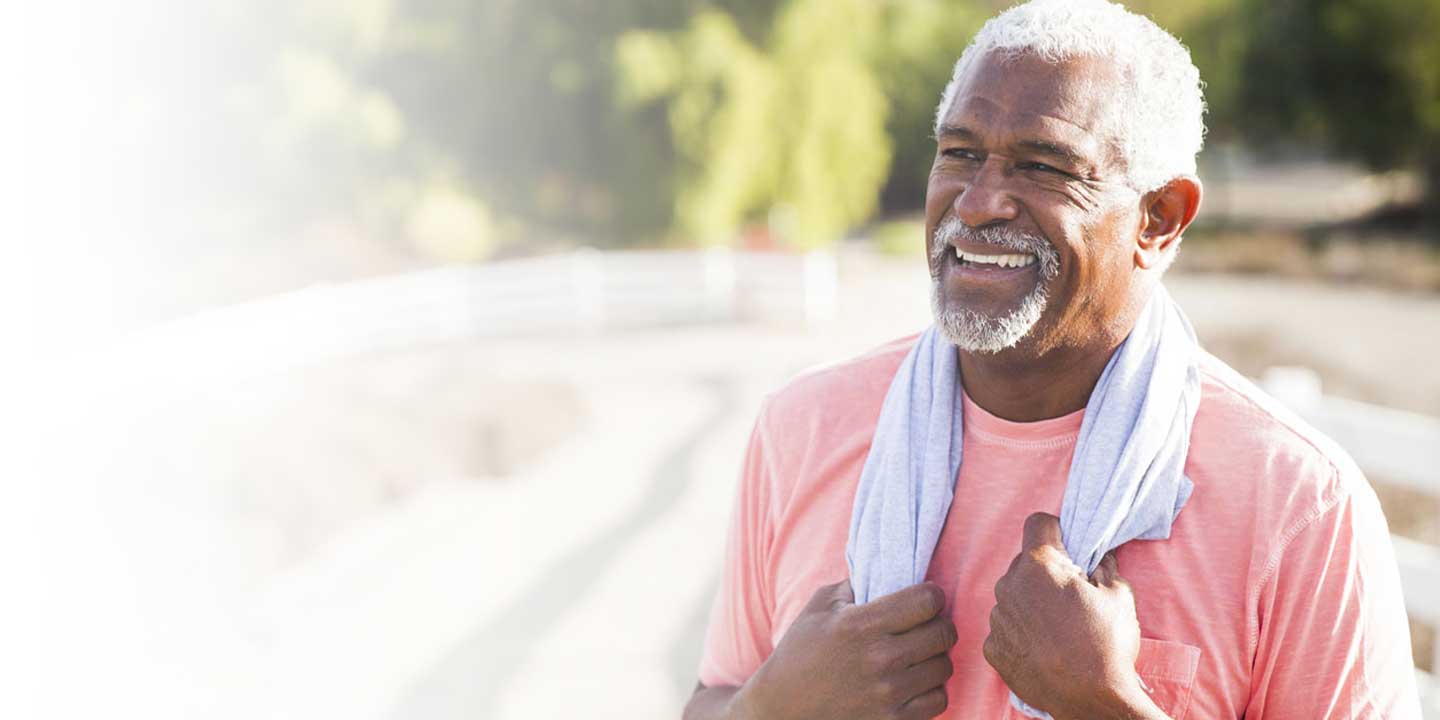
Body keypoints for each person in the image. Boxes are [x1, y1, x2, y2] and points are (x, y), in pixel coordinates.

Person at [683, 1, 1423, 718]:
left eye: (1043, 166)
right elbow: (714, 697)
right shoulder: (803, 427)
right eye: (961, 153)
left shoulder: (1297, 502)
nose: (977, 203)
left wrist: (1108, 706)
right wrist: (770, 712)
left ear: (1159, 219)